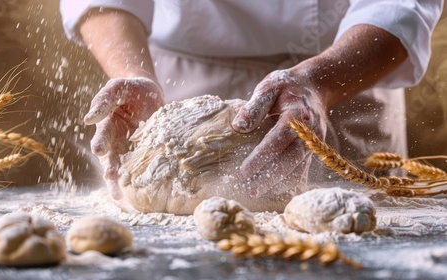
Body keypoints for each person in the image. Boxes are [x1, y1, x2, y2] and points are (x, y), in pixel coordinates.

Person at [60, 1, 442, 201]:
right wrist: (133, 71)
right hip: (180, 93)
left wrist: (321, 81)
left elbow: (399, 4)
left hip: (346, 74)